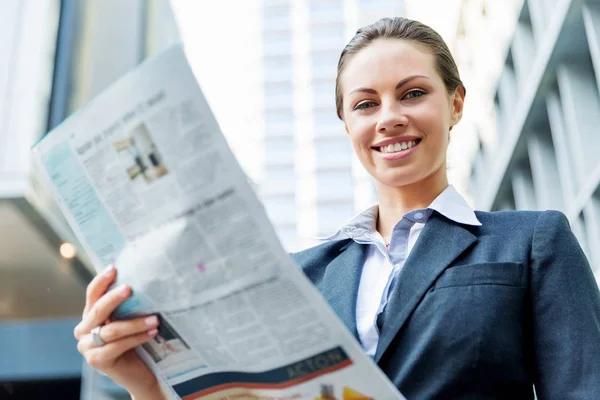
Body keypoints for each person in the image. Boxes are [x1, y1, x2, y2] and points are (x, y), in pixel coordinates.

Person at [74, 17, 600, 399]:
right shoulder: (301, 274)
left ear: (456, 103)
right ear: (347, 123)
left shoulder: (532, 241)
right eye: (366, 104)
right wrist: (145, 386)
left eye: (413, 93)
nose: (389, 117)